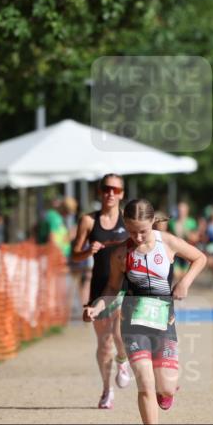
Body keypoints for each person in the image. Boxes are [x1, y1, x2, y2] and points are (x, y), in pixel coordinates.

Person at [84, 199, 206, 425]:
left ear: (152, 222)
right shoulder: (121, 254)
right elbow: (112, 288)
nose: (137, 237)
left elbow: (199, 258)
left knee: (165, 387)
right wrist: (96, 307)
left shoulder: (168, 242)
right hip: (133, 324)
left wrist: (184, 283)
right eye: (131, 231)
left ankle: (167, 391)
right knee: (144, 382)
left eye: (142, 231)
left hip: (163, 323)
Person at [71, 174, 133, 409]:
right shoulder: (88, 221)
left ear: (122, 194)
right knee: (104, 342)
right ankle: (107, 390)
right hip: (99, 286)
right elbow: (74, 255)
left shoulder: (128, 220)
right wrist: (88, 251)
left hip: (123, 286)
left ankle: (122, 359)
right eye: (106, 189)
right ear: (100, 191)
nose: (110, 194)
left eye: (115, 190)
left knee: (119, 334)